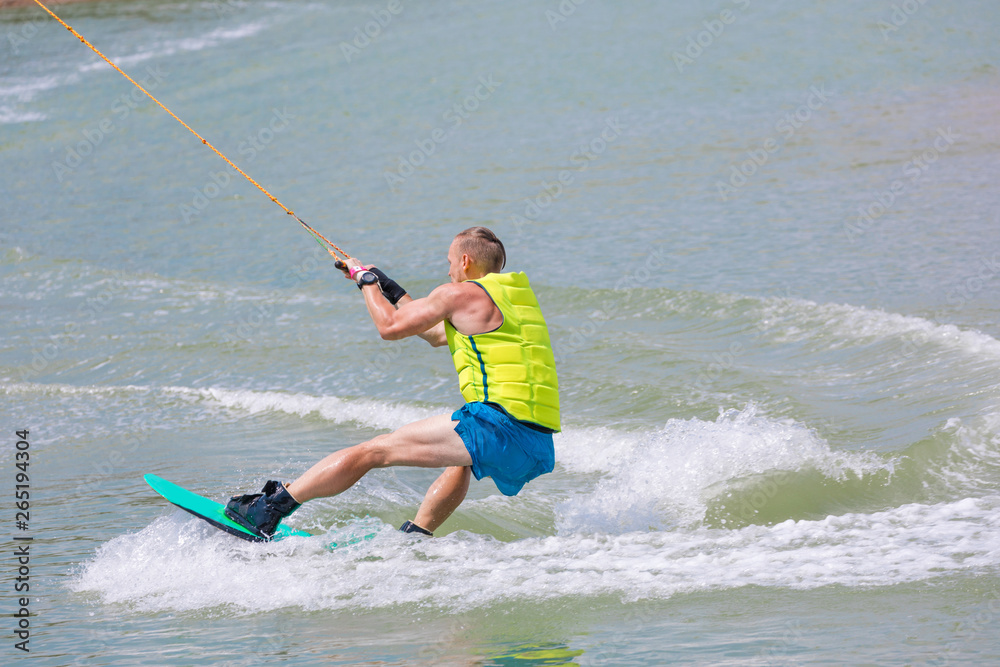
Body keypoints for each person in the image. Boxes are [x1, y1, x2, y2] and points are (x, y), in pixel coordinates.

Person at [225, 226, 561, 539]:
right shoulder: (515, 301)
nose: (447, 272)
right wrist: (389, 287)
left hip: (499, 426)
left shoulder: (459, 294)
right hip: (535, 442)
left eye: (449, 263)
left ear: (464, 261)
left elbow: (390, 328)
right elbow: (430, 333)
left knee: (374, 451)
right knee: (461, 459)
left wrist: (366, 282)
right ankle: (416, 536)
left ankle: (269, 509)